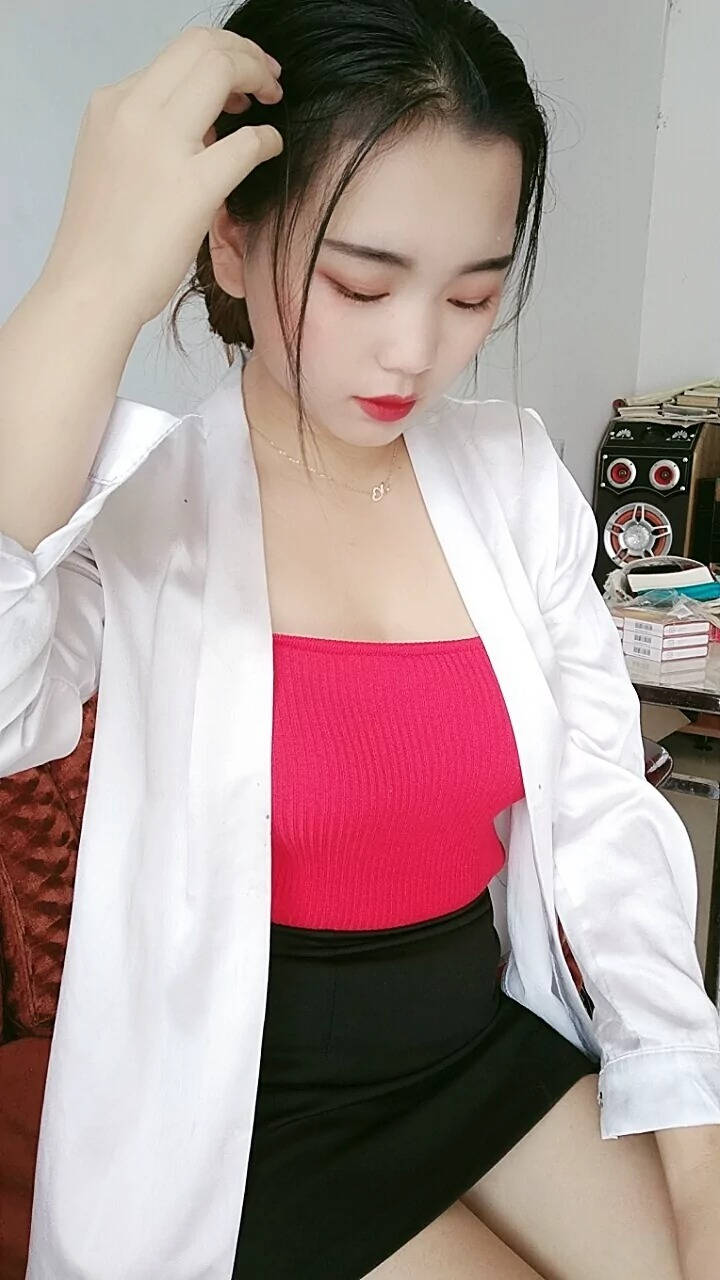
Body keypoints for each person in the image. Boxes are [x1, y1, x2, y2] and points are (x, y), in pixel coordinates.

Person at [1, 3, 720, 1278]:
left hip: (469, 1042)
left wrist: (692, 1111)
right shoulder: (139, 504)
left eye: (473, 293)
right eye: (361, 283)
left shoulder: (511, 475)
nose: (416, 349)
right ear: (231, 242)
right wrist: (89, 278)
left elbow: (604, 809)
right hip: (245, 1106)